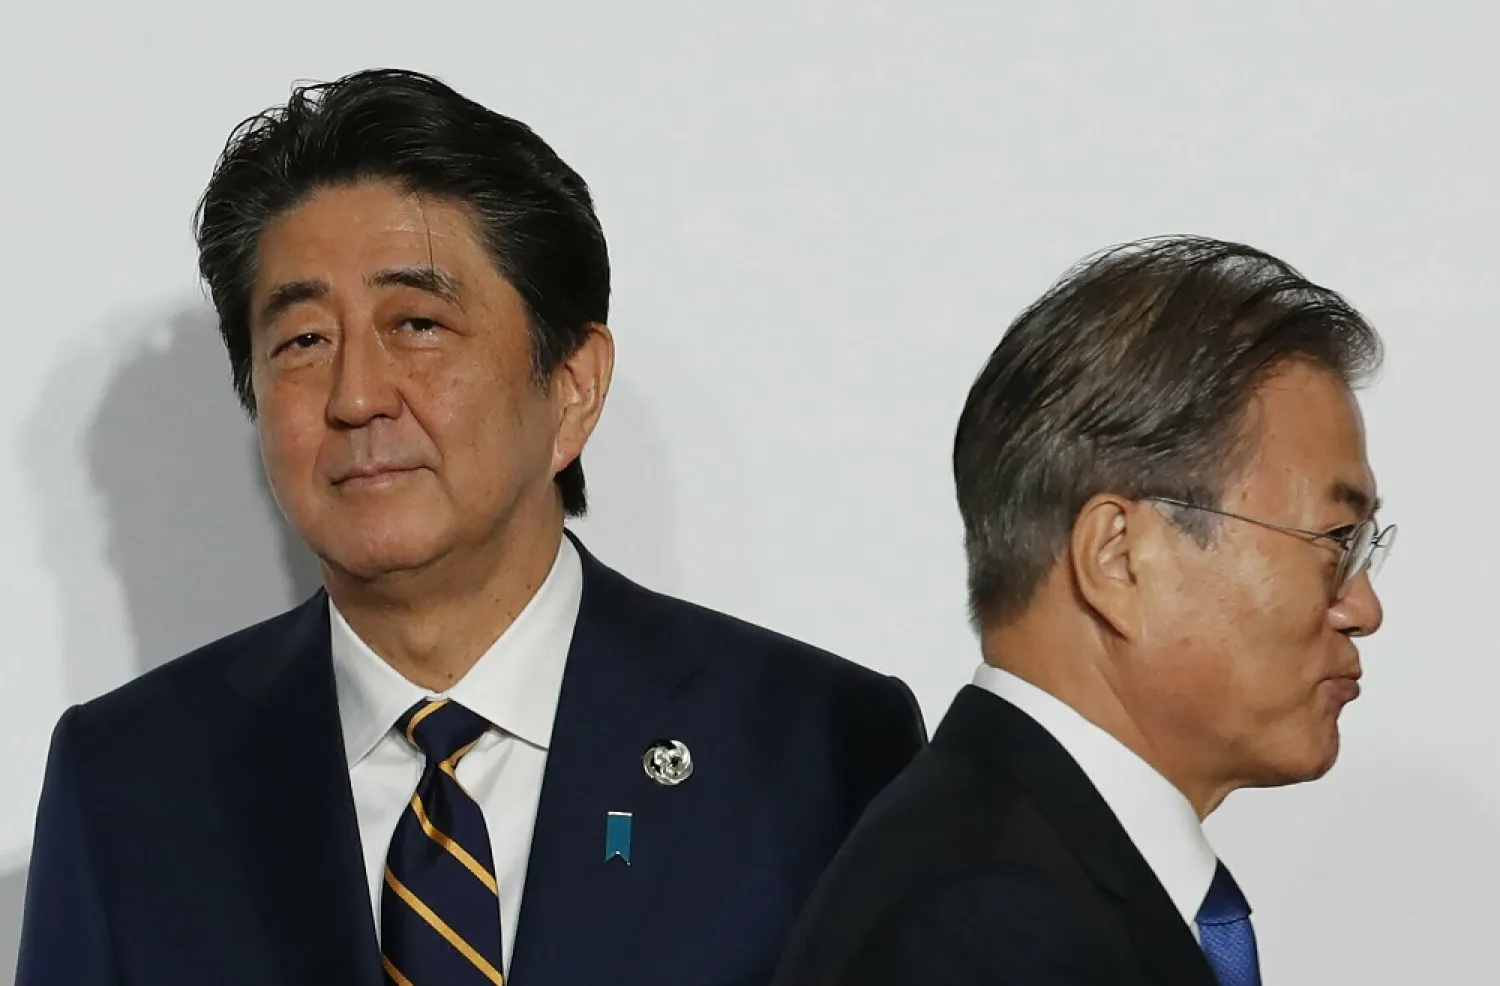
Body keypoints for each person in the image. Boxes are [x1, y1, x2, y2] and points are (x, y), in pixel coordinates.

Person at [16, 68, 925, 986]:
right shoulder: (128, 782)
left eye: (416, 323)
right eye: (301, 343)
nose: (357, 397)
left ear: (571, 386)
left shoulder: (819, 745)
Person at [770, 235, 1394, 985]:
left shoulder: (1013, 867)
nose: (1363, 607)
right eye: (1334, 541)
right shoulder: (988, 929)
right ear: (1119, 557)